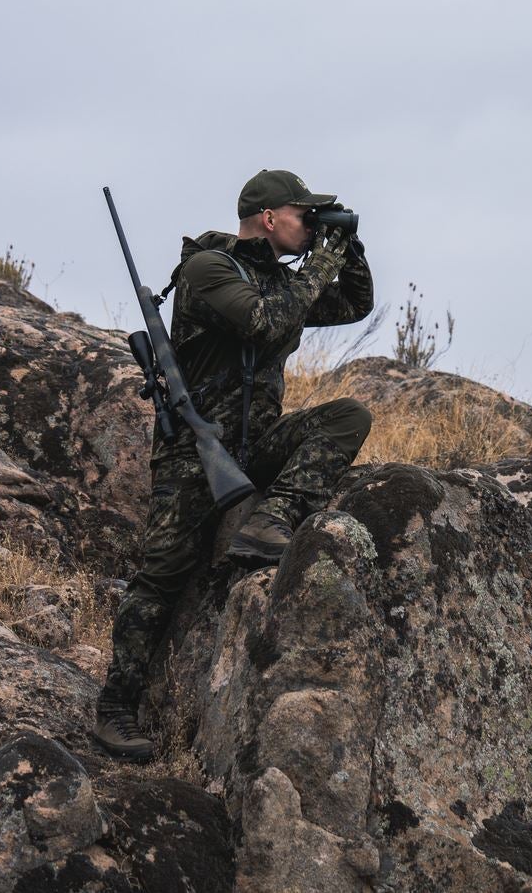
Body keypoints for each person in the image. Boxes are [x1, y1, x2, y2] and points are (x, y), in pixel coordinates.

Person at [95, 168, 374, 761]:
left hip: (258, 441)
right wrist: (317, 266)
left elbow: (355, 303)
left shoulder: (278, 279)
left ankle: (270, 521)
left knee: (347, 415)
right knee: (163, 573)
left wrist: (346, 246)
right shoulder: (208, 270)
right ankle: (115, 709)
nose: (311, 226)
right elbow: (265, 321)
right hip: (195, 452)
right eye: (305, 215)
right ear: (269, 219)